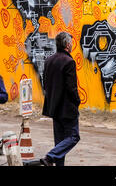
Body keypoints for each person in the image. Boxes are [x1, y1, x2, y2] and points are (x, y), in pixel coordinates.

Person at [40, 32, 81, 166]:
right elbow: (71, 87)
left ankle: (54, 160)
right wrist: (77, 101)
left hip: (54, 106)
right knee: (73, 137)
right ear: (68, 44)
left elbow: (45, 84)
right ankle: (50, 156)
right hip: (67, 108)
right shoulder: (69, 62)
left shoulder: (48, 60)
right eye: (71, 43)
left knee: (59, 142)